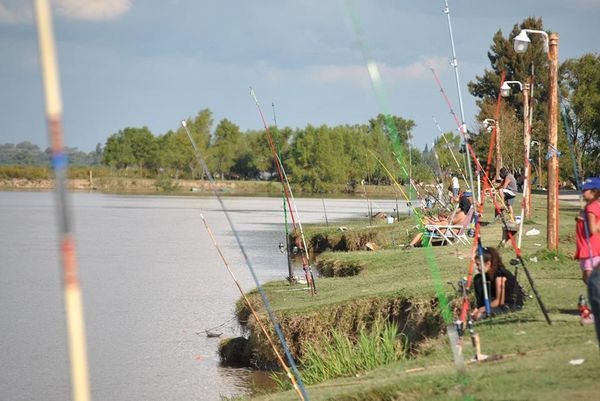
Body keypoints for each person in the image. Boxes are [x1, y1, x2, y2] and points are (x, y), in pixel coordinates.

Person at [404, 191, 472, 248]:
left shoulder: (461, 214)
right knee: (427, 224)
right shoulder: (465, 214)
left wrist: (437, 220)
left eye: (459, 204)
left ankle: (411, 245)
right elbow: (449, 221)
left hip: (448, 230)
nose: (458, 206)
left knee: (423, 230)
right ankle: (416, 244)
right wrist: (439, 219)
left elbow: (449, 222)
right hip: (449, 229)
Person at [471, 247, 524, 321]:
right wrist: (476, 310)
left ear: (488, 263)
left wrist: (481, 309)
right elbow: (482, 300)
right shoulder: (481, 278)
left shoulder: (500, 275)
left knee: (481, 315)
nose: (477, 267)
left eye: (478, 264)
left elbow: (499, 301)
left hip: (508, 305)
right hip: (493, 305)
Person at [575, 177, 600, 329]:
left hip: (591, 249)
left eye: (586, 190)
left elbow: (593, 229)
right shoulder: (591, 206)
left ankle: (593, 310)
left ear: (595, 192)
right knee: (588, 278)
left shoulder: (591, 208)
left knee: (591, 280)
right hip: (587, 248)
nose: (583, 192)